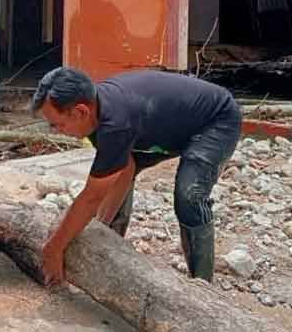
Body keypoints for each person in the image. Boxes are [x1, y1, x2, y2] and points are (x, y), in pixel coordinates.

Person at [30, 66, 242, 285]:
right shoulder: (97, 113)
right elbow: (123, 169)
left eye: (58, 124)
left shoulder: (115, 124)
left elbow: (91, 197)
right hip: (168, 125)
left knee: (189, 195)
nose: (55, 131)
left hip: (217, 120)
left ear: (81, 111)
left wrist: (53, 249)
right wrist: (100, 226)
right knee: (111, 178)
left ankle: (202, 285)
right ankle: (106, 253)